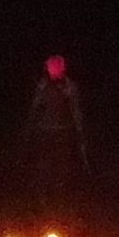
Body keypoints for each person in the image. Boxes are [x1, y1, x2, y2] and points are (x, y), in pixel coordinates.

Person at [26, 53, 86, 207]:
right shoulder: (44, 85)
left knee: (61, 166)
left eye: (52, 67)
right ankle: (43, 199)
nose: (50, 70)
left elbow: (75, 110)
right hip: (45, 131)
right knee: (44, 164)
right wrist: (30, 127)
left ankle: (59, 199)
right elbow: (35, 107)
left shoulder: (68, 86)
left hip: (62, 132)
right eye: (49, 67)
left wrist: (79, 132)